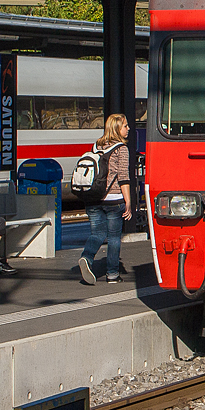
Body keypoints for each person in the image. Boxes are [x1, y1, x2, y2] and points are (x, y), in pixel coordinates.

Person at [78, 114, 131, 285]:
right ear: (117, 128)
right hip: (114, 200)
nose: (128, 128)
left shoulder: (96, 145)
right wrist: (128, 202)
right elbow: (123, 177)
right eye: (125, 126)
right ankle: (113, 274)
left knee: (97, 233)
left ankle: (87, 257)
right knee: (114, 238)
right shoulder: (121, 149)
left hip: (93, 198)